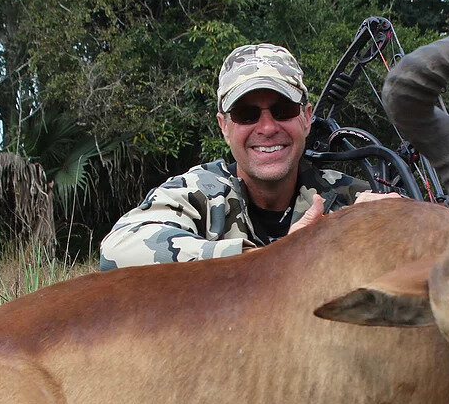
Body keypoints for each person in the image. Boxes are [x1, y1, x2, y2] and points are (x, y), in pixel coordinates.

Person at [98, 43, 372, 270]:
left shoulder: (351, 198)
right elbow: (117, 251)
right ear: (224, 127)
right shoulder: (197, 192)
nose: (267, 128)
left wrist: (394, 219)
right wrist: (271, 259)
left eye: (283, 110)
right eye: (246, 114)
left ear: (307, 118)